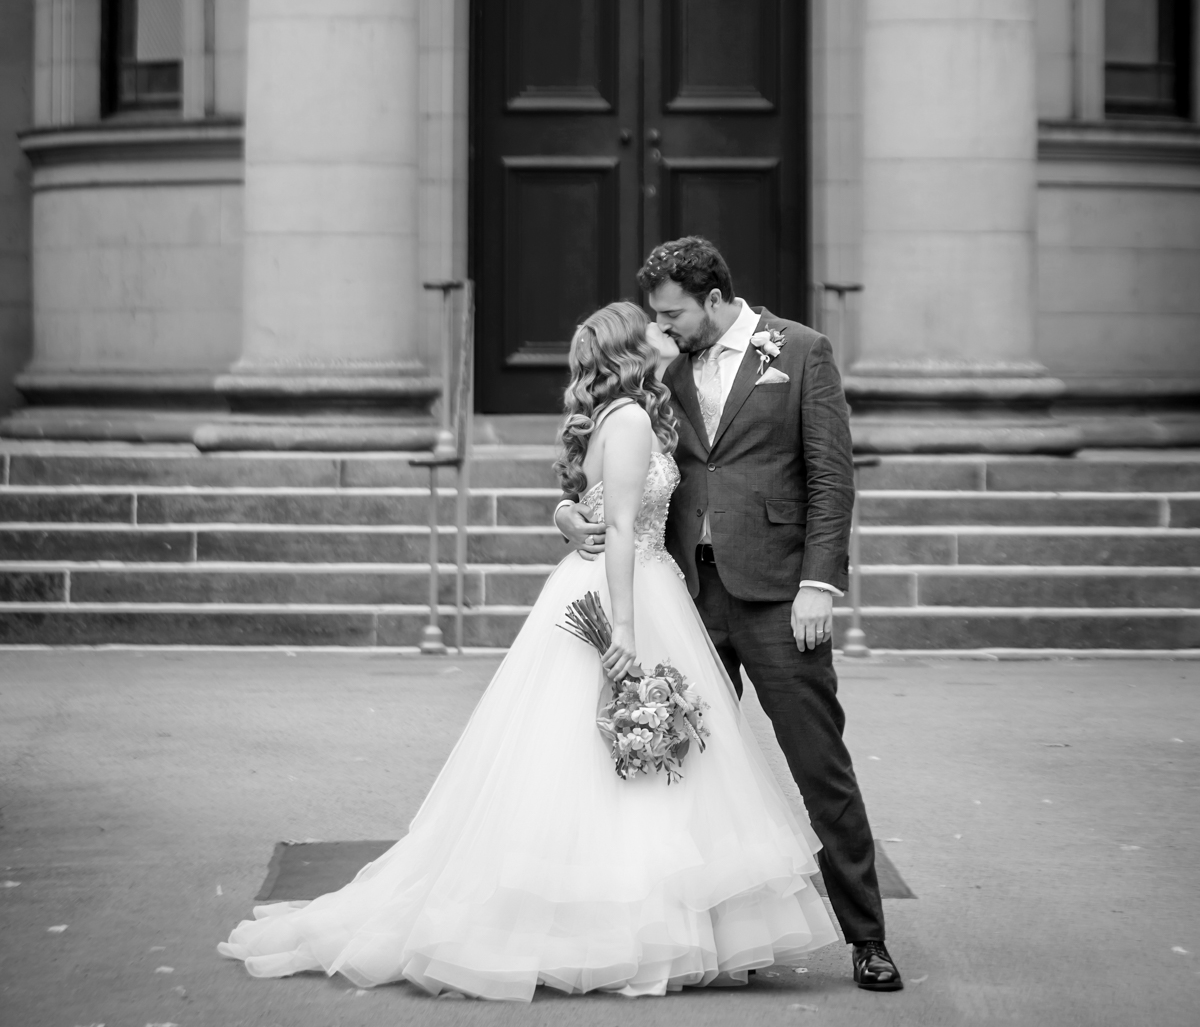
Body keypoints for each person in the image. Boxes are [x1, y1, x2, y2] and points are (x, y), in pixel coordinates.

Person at [219, 299, 837, 1000]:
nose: (671, 334)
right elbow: (628, 527)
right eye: (658, 328)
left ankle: (632, 927)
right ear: (636, 349)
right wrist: (627, 632)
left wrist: (568, 513)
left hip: (620, 579)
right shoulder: (631, 420)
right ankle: (624, 932)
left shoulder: (619, 416)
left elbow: (595, 501)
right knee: (619, 763)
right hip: (626, 590)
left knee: (604, 762)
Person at [555, 240, 903, 994]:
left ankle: (867, 937)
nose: (663, 326)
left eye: (673, 312)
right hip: (684, 599)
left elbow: (831, 479)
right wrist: (564, 509)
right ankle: (709, 939)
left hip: (780, 597)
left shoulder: (801, 353)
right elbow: (611, 465)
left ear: (714, 298)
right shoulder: (665, 371)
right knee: (688, 772)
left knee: (820, 768)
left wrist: (821, 583)